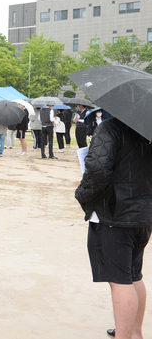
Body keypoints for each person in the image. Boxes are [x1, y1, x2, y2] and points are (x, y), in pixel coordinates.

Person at [75, 118, 152, 339]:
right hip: (143, 213)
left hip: (114, 214)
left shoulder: (112, 127)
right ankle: (134, 332)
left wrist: (83, 194)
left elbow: (97, 169)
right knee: (133, 274)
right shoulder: (146, 127)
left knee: (120, 279)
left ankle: (125, 335)